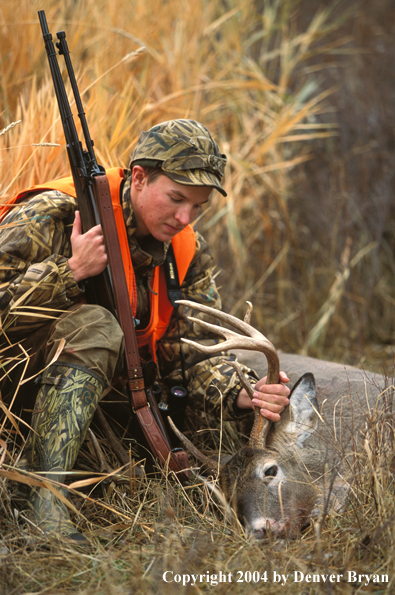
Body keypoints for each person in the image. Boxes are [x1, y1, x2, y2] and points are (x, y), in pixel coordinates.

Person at [0, 119, 290, 543]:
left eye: (199, 206)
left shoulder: (186, 250)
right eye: (175, 198)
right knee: (97, 326)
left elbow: (193, 354)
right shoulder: (53, 214)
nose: (184, 217)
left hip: (105, 399)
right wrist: (70, 273)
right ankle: (44, 505)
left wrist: (239, 392)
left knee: (232, 429)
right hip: (15, 384)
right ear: (138, 177)